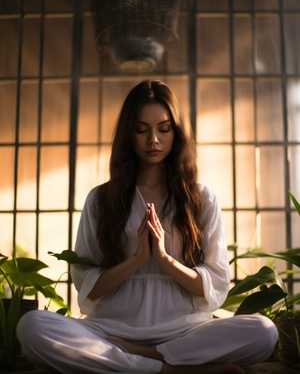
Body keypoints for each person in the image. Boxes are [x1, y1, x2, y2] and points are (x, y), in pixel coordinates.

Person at [17, 80, 278, 374]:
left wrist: (164, 259)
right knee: (33, 327)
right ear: (129, 133)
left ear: (175, 132)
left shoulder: (201, 198)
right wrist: (138, 259)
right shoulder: (101, 199)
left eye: (163, 129)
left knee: (264, 332)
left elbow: (214, 284)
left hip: (185, 332)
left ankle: (141, 356)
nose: (153, 139)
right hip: (111, 330)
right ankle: (170, 370)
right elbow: (88, 286)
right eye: (142, 130)